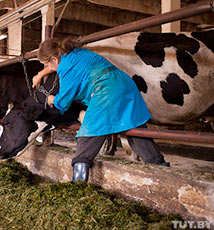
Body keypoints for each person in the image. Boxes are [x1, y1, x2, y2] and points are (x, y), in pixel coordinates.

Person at [33, 38, 170, 183]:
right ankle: (165, 175)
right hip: (125, 85)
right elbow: (58, 65)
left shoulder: (66, 71)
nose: (48, 67)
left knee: (87, 139)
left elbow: (63, 102)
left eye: (47, 64)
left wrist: (51, 99)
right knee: (134, 130)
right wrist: (41, 74)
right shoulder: (75, 52)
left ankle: (78, 184)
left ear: (54, 58)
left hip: (106, 92)